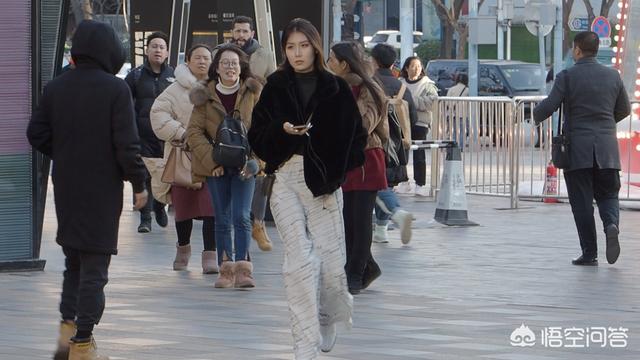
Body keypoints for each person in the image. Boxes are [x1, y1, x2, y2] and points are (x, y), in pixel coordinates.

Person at [27, 20, 148, 360]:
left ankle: (66, 336)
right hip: (102, 189)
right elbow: (127, 145)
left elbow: (35, 133)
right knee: (95, 267)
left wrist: (64, 152)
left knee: (74, 263)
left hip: (67, 185)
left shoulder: (56, 88)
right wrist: (139, 184)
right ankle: (82, 344)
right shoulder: (115, 89)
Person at [248, 18, 366, 359]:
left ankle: (327, 315)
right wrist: (282, 131)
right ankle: (304, 344)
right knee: (298, 261)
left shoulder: (335, 87)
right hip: (285, 176)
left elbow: (356, 141)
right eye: (290, 46)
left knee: (331, 266)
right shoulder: (275, 84)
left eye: (303, 45)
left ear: (315, 46)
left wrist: (335, 171)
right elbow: (256, 135)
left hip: (323, 183)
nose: (297, 53)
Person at [533, 31, 630, 266]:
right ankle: (611, 225)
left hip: (577, 151)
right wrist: (605, 125)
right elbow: (624, 109)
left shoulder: (567, 76)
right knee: (608, 194)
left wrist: (534, 114)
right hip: (607, 149)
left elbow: (551, 105)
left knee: (582, 203)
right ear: (596, 49)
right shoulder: (613, 76)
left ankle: (590, 253)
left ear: (577, 50)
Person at [186, 44, 263, 288]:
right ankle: (226, 269)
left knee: (241, 216)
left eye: (234, 63)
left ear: (241, 67)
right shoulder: (204, 96)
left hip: (245, 166)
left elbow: (264, 130)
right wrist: (212, 163)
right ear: (216, 68)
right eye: (225, 63)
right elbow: (194, 132)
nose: (230, 67)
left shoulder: (253, 93)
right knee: (222, 218)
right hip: (216, 167)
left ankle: (244, 269)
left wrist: (255, 162)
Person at [327, 41, 388, 295]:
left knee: (360, 220)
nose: (327, 63)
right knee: (346, 219)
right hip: (343, 159)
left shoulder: (368, 87)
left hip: (366, 158)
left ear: (344, 63)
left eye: (331, 59)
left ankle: (354, 271)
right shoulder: (332, 86)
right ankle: (366, 266)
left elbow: (365, 122)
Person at [150, 44, 217, 273]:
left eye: (206, 58)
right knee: (184, 207)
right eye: (197, 57)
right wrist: (181, 133)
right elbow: (158, 114)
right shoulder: (175, 89)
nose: (202, 62)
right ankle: (183, 249)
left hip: (210, 156)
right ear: (187, 60)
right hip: (182, 157)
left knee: (211, 207)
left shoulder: (218, 87)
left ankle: (210, 253)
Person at [230, 15, 277, 251]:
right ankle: (237, 223)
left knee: (262, 172)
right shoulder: (224, 52)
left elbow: (274, 86)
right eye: (237, 31)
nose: (240, 35)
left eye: (244, 31)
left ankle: (257, 222)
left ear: (252, 33)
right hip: (230, 120)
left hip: (258, 121)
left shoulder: (265, 55)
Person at [125, 31, 174, 233]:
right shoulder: (135, 75)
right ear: (147, 50)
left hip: (166, 135)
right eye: (154, 46)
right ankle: (145, 219)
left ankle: (160, 206)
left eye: (162, 47)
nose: (158, 50)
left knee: (163, 175)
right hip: (143, 135)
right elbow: (124, 104)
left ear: (167, 52)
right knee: (144, 175)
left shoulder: (174, 76)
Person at [369, 43, 416, 244]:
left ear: (374, 61)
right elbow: (412, 116)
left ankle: (397, 213)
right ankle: (381, 230)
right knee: (384, 183)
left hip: (375, 142)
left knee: (375, 183)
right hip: (397, 145)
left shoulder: (370, 83)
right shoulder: (401, 87)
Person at [400, 56, 439, 197]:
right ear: (406, 68)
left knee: (419, 154)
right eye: (413, 66)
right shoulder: (401, 83)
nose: (417, 69)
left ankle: (420, 184)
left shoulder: (428, 84)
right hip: (402, 123)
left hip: (420, 124)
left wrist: (410, 102)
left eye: (419, 66)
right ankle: (403, 182)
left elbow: (432, 102)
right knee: (401, 153)